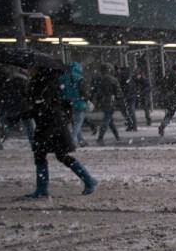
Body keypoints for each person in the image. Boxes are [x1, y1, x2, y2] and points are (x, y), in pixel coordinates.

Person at [22, 62, 96, 198]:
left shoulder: (46, 83)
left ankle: (88, 180)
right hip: (50, 123)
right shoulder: (41, 81)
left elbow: (44, 106)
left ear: (38, 68)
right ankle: (43, 188)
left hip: (52, 124)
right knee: (45, 155)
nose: (28, 69)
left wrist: (23, 113)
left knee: (56, 155)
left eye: (31, 66)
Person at [91, 64, 122, 145]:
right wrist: (119, 100)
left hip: (102, 102)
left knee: (109, 120)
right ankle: (100, 138)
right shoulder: (113, 80)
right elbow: (118, 93)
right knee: (107, 120)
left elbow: (94, 90)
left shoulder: (98, 79)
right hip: (110, 102)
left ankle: (117, 137)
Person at [59, 61, 88, 147]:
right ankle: (71, 141)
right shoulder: (80, 78)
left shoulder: (61, 78)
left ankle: (81, 141)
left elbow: (59, 91)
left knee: (74, 123)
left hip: (66, 104)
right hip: (79, 103)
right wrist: (86, 99)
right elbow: (84, 92)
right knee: (78, 122)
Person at [157, 65, 176, 137]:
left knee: (170, 113)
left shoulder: (167, 76)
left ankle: (162, 126)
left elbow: (162, 86)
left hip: (169, 98)